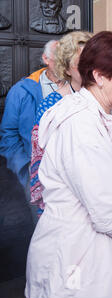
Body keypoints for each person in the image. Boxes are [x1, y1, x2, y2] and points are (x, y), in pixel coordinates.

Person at [25, 31, 112, 298]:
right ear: (99, 76)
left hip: (91, 255)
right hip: (75, 260)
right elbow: (108, 207)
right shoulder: (81, 125)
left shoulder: (103, 116)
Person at [29, 31, 112, 218]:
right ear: (66, 69)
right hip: (74, 209)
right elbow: (42, 159)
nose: (89, 70)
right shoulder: (54, 106)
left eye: (94, 63)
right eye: (81, 64)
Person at [0, 39, 61, 189]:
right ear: (46, 59)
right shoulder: (21, 91)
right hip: (33, 176)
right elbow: (9, 134)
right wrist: (24, 169)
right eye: (58, 58)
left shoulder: (78, 88)